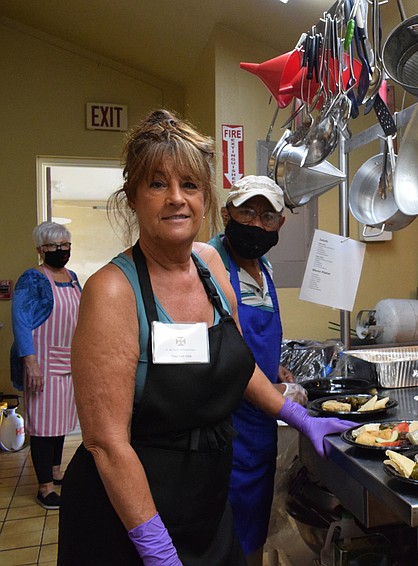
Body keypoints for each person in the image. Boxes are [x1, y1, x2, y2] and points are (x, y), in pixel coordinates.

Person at [58, 109, 354, 566]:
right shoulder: (113, 291)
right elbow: (107, 443)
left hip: (208, 505)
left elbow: (237, 367)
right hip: (132, 516)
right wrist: (155, 548)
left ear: (205, 198)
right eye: (158, 184)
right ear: (133, 197)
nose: (176, 199)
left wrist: (297, 415)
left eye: (190, 185)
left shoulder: (211, 268)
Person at [208, 174, 305, 566]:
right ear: (225, 213)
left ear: (280, 224)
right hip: (223, 425)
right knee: (222, 536)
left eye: (268, 216)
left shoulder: (263, 268)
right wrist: (276, 396)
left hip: (260, 426)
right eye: (246, 211)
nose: (256, 223)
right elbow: (217, 350)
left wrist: (274, 368)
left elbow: (252, 337)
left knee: (253, 530)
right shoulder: (208, 264)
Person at [11, 221, 81, 510]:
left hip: (67, 360)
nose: (62, 251)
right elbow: (21, 321)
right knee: (42, 425)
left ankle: (55, 472)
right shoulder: (33, 278)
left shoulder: (72, 276)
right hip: (41, 361)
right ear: (41, 250)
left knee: (59, 420)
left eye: (65, 245)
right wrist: (31, 362)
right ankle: (45, 488)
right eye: (54, 246)